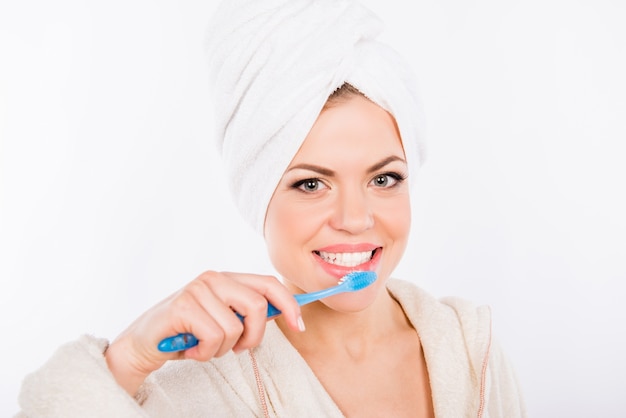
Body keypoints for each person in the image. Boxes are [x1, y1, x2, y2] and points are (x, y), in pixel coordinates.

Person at [15, 0, 526, 417]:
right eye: (310, 184)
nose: (355, 218)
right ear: (259, 198)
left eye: (384, 178)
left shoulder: (469, 347)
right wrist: (126, 357)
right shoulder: (204, 387)